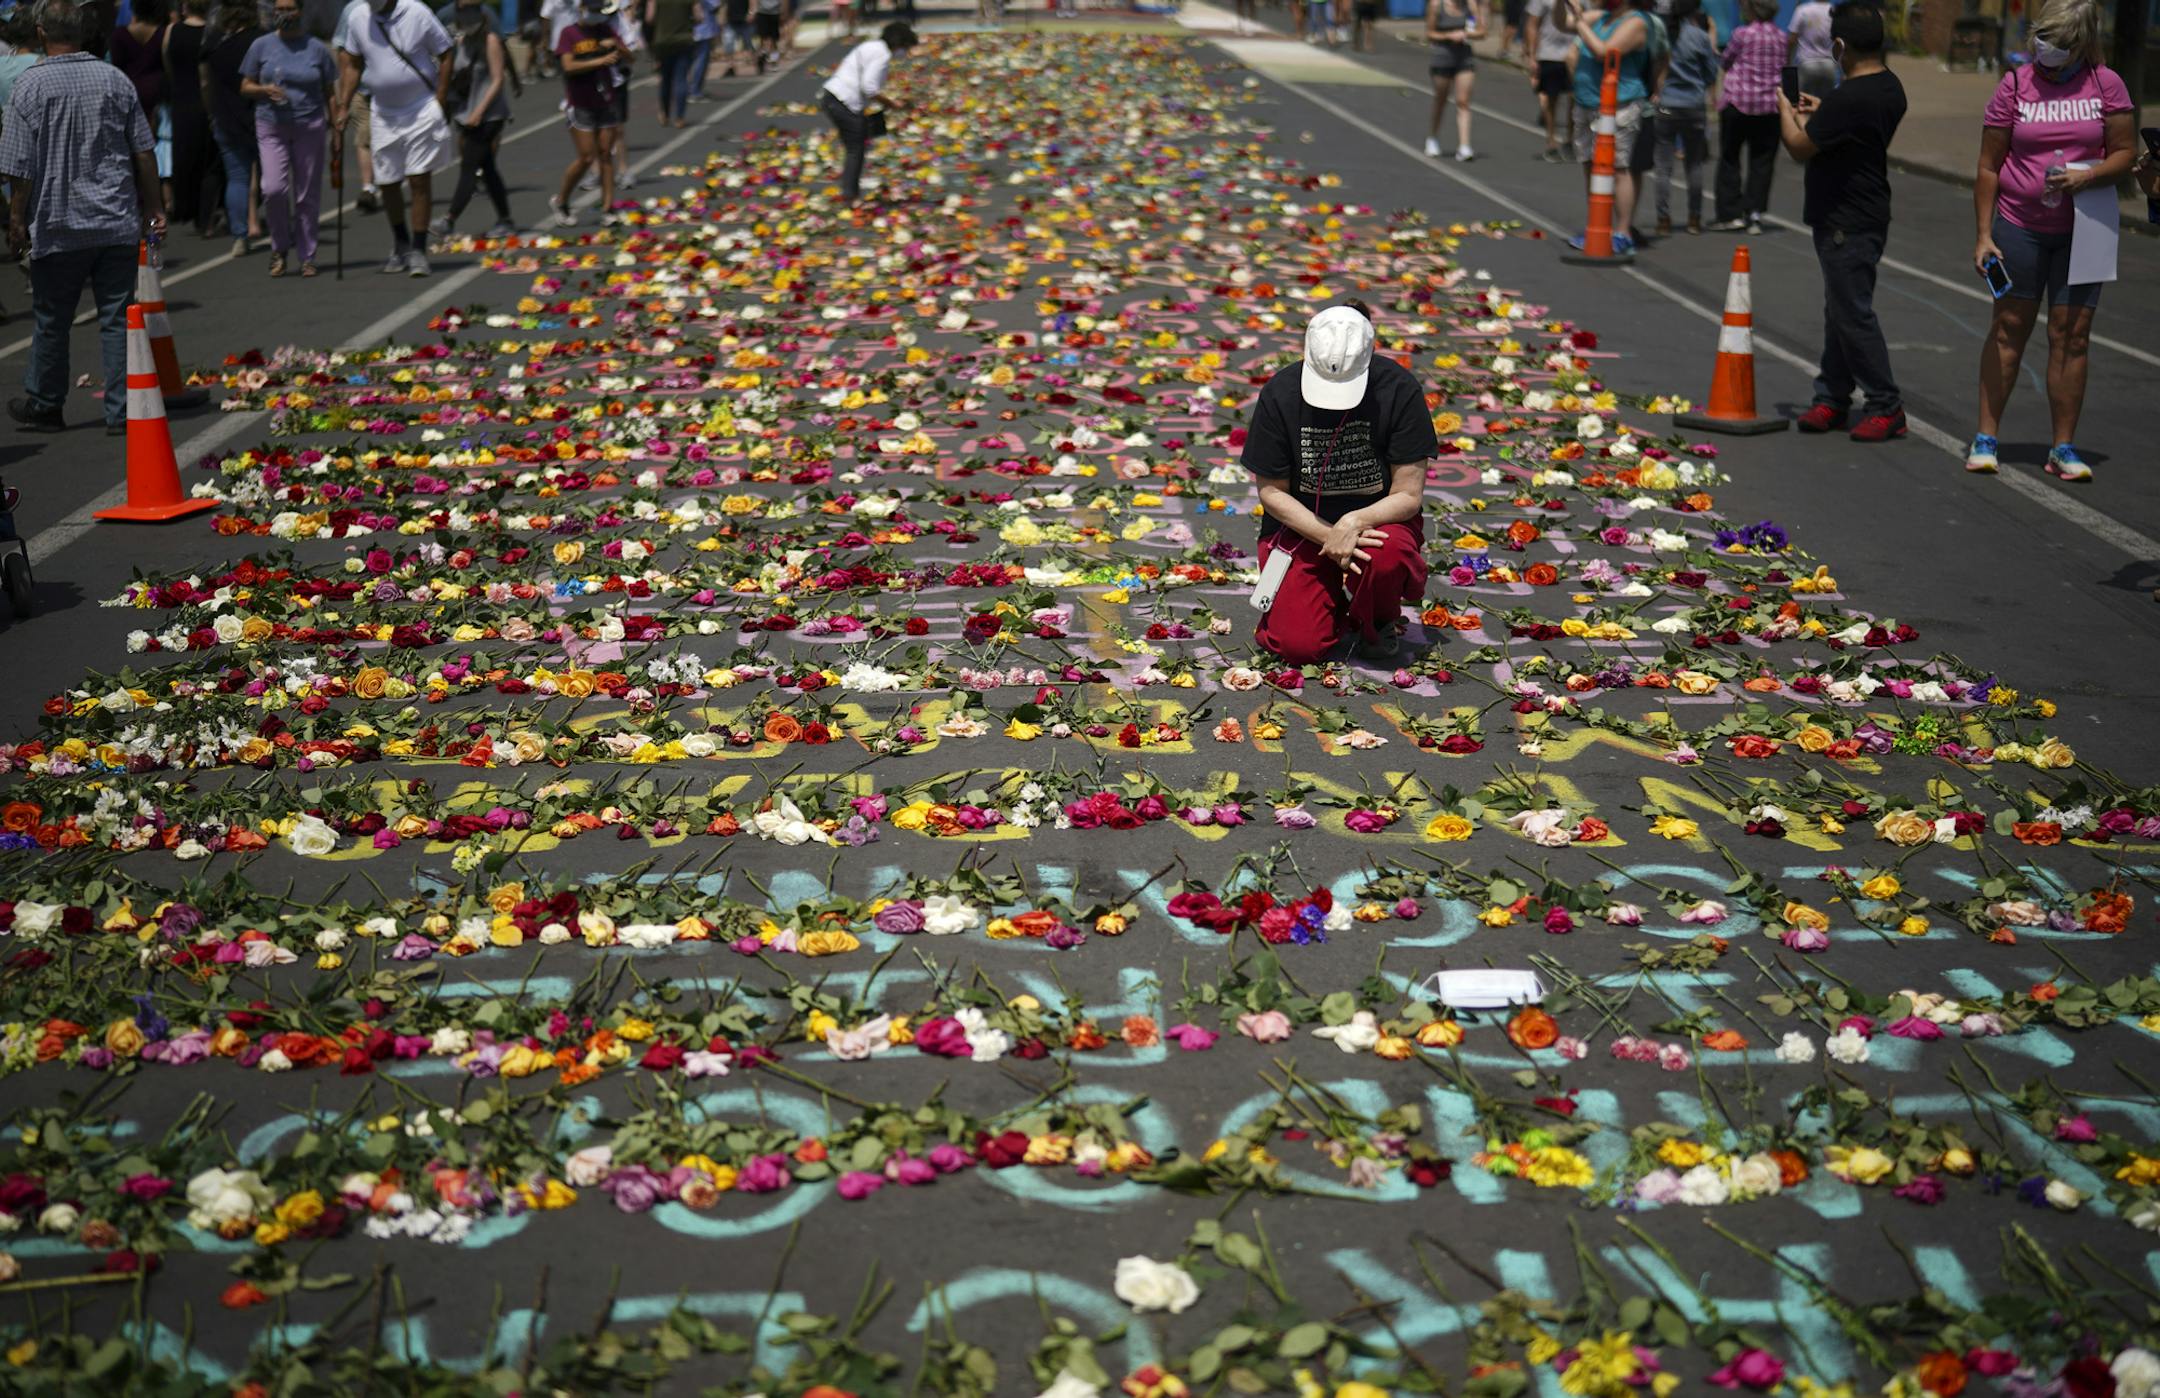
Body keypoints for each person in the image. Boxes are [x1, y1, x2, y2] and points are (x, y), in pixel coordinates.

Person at [1964, 0, 2132, 482]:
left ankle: (2063, 447)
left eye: (2058, 42)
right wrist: (1982, 235)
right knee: (2008, 327)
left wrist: (2091, 175)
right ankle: (1986, 437)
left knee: (2072, 336)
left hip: (2087, 231)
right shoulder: (2015, 84)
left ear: (2081, 44)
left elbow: (2125, 152)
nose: (2046, 48)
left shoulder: (2107, 84)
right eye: (2042, 37)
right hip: (2018, 227)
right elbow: (1987, 165)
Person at [2, 0, 166, 435]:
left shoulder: (30, 87)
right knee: (117, 318)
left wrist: (17, 221)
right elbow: (143, 151)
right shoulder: (114, 79)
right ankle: (122, 410)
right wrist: (154, 206)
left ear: (41, 33)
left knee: (52, 319)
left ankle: (46, 403)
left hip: (59, 223)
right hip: (113, 218)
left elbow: (18, 166)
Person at [1242, 303, 1436, 667]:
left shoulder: (1399, 389)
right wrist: (1329, 535)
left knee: (1387, 553)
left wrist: (1352, 524)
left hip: (1377, 524)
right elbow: (1271, 491)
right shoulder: (1281, 392)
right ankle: (1329, 605)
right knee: (1298, 646)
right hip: (1301, 524)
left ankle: (1378, 620)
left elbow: (1408, 495)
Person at [1777, 3, 1907, 441]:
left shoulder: (1848, 98)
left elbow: (1799, 146)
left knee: (1852, 313)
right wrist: (1822, 109)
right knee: (1840, 308)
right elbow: (1849, 129)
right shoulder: (1888, 87)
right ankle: (1832, 395)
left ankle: (1885, 404)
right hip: (1868, 210)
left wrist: (1785, 106)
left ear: (1840, 46)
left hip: (1844, 217)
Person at [334, 0, 454, 276]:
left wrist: (441, 96)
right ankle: (401, 243)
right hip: (384, 113)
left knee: (418, 178)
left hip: (420, 109)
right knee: (387, 182)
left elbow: (446, 52)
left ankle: (419, 250)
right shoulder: (358, 17)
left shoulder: (416, 12)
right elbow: (352, 65)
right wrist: (343, 105)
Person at [240, 0, 334, 275]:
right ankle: (279, 247)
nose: (284, 14)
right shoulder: (261, 45)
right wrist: (263, 89)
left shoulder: (316, 48)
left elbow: (329, 89)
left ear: (301, 11)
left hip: (309, 124)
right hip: (271, 124)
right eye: (279, 9)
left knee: (307, 194)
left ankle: (307, 255)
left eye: (290, 8)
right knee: (273, 189)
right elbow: (244, 85)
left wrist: (337, 123)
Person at [1567, 0, 1648, 252]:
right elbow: (1562, 24)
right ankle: (1596, 226)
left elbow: (1604, 51)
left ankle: (1622, 232)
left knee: (1618, 168)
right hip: (1587, 101)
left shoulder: (1636, 22)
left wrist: (1580, 20)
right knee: (1590, 165)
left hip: (1619, 105)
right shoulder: (1600, 17)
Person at [432, 3, 511, 236]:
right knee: (488, 169)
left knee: (469, 166)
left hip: (489, 115)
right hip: (466, 113)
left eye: (472, 11)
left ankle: (449, 219)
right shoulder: (460, 43)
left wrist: (479, 111)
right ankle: (505, 219)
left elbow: (497, 80)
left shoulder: (491, 41)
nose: (467, 17)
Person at [819, 20, 913, 205]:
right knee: (856, 149)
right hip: (843, 101)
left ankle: (850, 193)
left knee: (856, 145)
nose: (905, 52)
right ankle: (850, 196)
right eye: (905, 47)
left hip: (834, 96)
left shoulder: (871, 45)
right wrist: (891, 103)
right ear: (898, 44)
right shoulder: (883, 54)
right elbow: (869, 87)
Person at [548, 0, 623, 225]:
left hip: (605, 99)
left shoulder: (606, 30)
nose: (596, 14)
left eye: (599, 10)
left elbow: (630, 57)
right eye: (592, 9)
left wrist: (616, 47)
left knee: (606, 155)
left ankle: (608, 208)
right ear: (581, 9)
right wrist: (599, 59)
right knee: (587, 156)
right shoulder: (569, 33)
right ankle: (561, 200)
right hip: (580, 102)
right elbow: (568, 66)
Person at [1712, 0, 1782, 232]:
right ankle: (1754, 212)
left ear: (1751, 9)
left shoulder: (1742, 34)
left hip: (1739, 102)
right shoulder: (1781, 37)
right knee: (1762, 160)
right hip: (1769, 105)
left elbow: (1726, 61)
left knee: (1730, 158)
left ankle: (1730, 213)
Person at [1651, 0, 1715, 234]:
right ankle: (1694, 218)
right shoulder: (1699, 36)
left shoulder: (1663, 34)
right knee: (1694, 164)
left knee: (1663, 166)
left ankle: (1663, 220)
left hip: (1667, 103)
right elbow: (1710, 72)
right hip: (1693, 105)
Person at [201, 0, 261, 247]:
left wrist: (210, 113)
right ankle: (265, 222)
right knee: (269, 175)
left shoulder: (213, 44)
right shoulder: (260, 41)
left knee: (236, 176)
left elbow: (205, 83)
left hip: (224, 116)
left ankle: (239, 233)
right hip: (257, 116)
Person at [164, 0, 217, 237]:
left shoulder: (172, 30)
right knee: (207, 159)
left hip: (180, 97)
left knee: (183, 153)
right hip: (204, 99)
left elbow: (167, 60)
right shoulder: (212, 33)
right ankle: (204, 215)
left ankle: (183, 205)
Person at [1422, 0, 1480, 161]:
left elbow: (1481, 31)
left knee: (1463, 101)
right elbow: (1430, 33)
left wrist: (1466, 34)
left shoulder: (1470, 5)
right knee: (1441, 99)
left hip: (1464, 58)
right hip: (1442, 57)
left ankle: (1464, 146)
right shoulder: (1436, 4)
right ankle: (1432, 137)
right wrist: (1448, 35)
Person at [1520, 0, 1575, 161]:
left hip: (1574, 52)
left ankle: (1570, 141)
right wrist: (1532, 55)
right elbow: (1532, 24)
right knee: (1551, 99)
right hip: (1549, 53)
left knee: (1576, 98)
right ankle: (1551, 142)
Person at [648, 0, 693, 125]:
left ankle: (665, 114)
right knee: (681, 79)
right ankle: (680, 117)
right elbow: (700, 16)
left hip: (663, 41)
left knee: (665, 79)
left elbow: (649, 18)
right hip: (683, 40)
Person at [1788, 0, 1835, 98]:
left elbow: (1792, 39)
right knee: (1826, 105)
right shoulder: (1834, 11)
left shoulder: (1803, 10)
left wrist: (1788, 62)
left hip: (1807, 63)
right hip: (1829, 65)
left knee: (1802, 105)